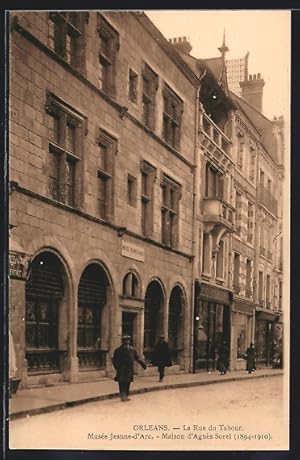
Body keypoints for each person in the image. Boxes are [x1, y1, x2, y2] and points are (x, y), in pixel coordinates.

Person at [112, 335, 146, 402]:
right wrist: (118, 367)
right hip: (121, 369)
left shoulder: (132, 350)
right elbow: (115, 360)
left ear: (129, 341)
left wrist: (143, 364)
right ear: (123, 341)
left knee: (128, 383)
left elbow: (137, 358)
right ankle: (122, 396)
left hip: (129, 369)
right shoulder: (118, 350)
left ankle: (126, 395)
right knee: (122, 383)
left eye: (128, 340)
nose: (127, 342)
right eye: (125, 340)